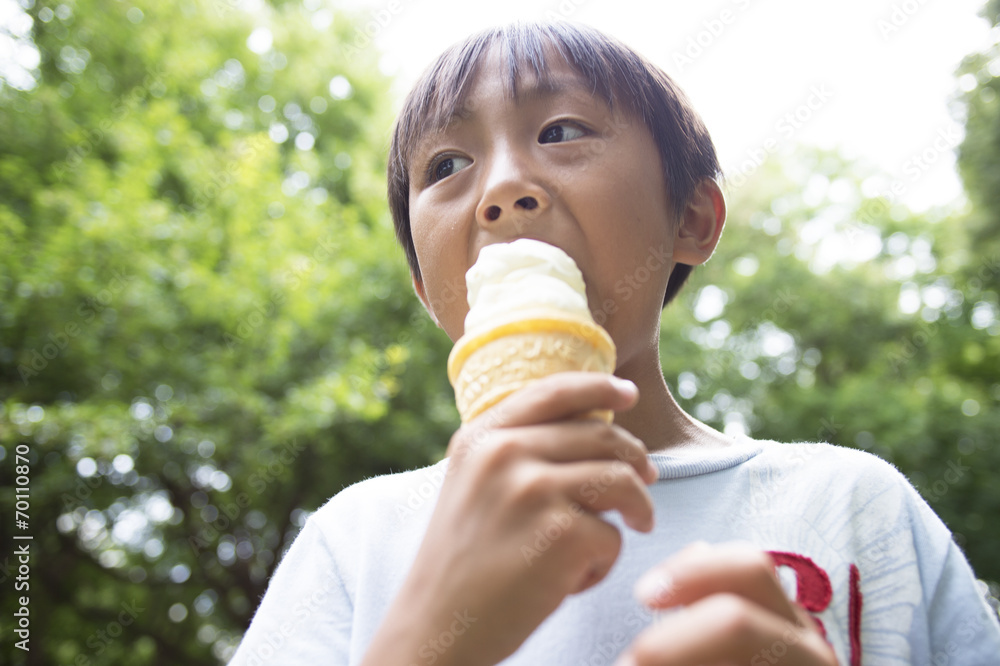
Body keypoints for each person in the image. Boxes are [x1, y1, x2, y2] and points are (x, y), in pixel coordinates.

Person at [230, 22, 1000, 665]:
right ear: (431, 293)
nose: (502, 187)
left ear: (692, 219)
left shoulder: (851, 502)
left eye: (560, 130)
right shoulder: (357, 541)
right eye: (447, 165)